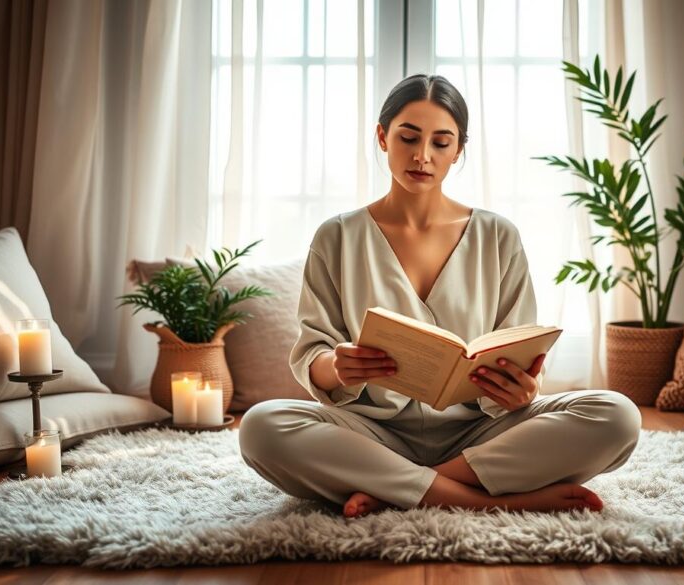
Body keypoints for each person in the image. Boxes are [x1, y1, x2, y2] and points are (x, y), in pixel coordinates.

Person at [239, 74, 641, 518]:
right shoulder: (337, 237)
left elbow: (519, 347)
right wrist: (338, 366)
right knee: (262, 427)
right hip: (372, 433)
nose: (422, 156)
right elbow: (313, 347)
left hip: (482, 433)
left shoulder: (497, 237)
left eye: (441, 143)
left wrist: (522, 391)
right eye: (408, 137)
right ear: (382, 136)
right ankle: (480, 500)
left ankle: (398, 486)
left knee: (617, 415)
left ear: (458, 151)